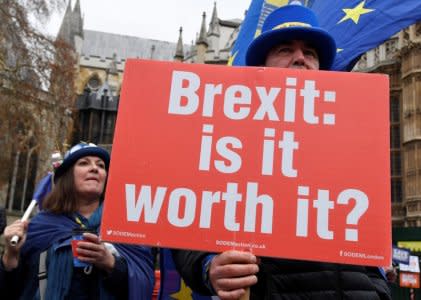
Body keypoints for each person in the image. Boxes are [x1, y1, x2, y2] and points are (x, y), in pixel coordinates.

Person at [172, 5, 392, 300]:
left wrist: (377, 287)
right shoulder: (226, 142)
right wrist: (208, 266)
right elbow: (183, 216)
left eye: (310, 53)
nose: (300, 58)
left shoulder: (351, 139)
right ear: (261, 68)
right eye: (285, 49)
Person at [0, 143, 155, 299]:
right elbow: (14, 289)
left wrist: (110, 263)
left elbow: (144, 284)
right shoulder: (40, 226)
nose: (95, 168)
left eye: (101, 166)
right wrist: (11, 255)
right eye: (84, 163)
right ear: (68, 176)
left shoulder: (125, 225)